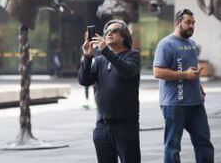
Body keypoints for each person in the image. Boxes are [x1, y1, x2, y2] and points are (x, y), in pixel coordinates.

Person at [153, 9, 214, 163]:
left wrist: (199, 88)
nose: (191, 26)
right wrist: (184, 75)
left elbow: (191, 69)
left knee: (204, 143)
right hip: (174, 104)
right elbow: (157, 72)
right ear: (177, 23)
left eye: (193, 23)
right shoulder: (166, 44)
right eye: (188, 22)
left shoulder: (192, 44)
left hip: (195, 104)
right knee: (173, 148)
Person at [77, 19, 141, 163]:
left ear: (124, 36)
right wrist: (87, 57)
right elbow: (84, 80)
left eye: (115, 30)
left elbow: (127, 71)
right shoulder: (100, 60)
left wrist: (105, 50)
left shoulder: (132, 55)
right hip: (102, 126)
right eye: (107, 31)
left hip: (125, 125)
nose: (109, 33)